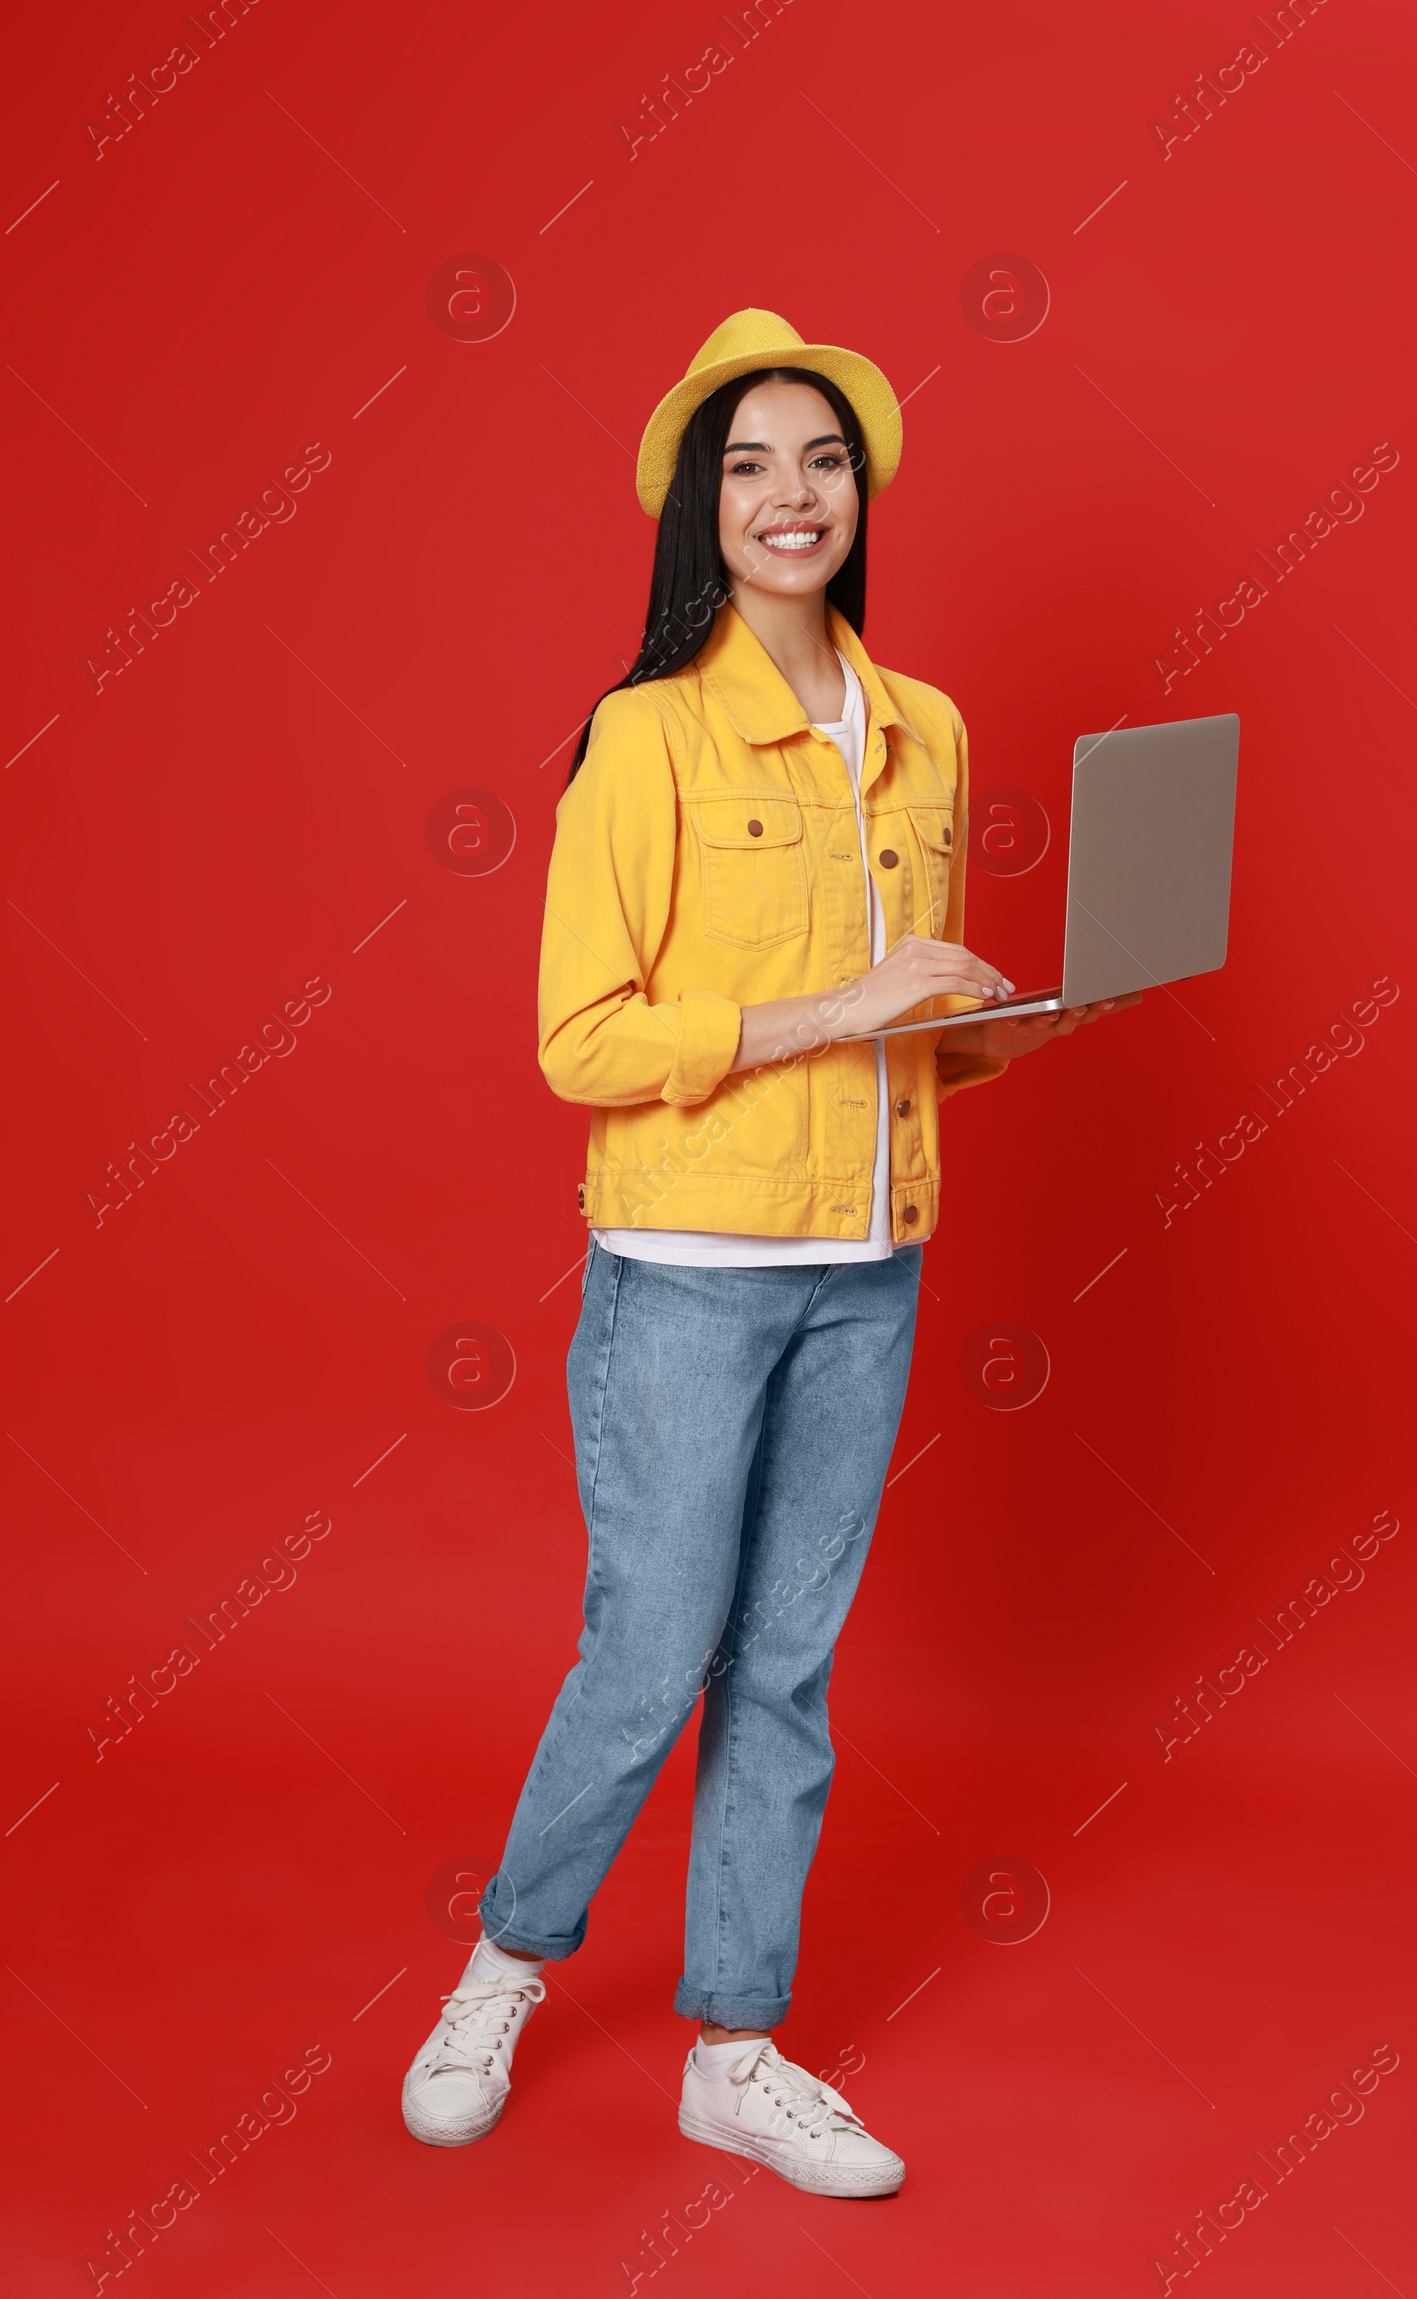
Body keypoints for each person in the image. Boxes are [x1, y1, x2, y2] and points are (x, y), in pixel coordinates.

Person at [401, 309, 1138, 2195]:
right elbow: (585, 1042)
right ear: (697, 511)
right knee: (652, 1652)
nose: (791, 496)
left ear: (862, 492)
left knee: (790, 1666)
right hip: (683, 1271)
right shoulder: (643, 737)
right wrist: (841, 1004)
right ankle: (504, 1966)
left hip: (867, 1264)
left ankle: (736, 2047)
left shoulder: (931, 729)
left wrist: (1017, 1014)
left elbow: (903, 1035)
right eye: (750, 467)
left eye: (821, 461)